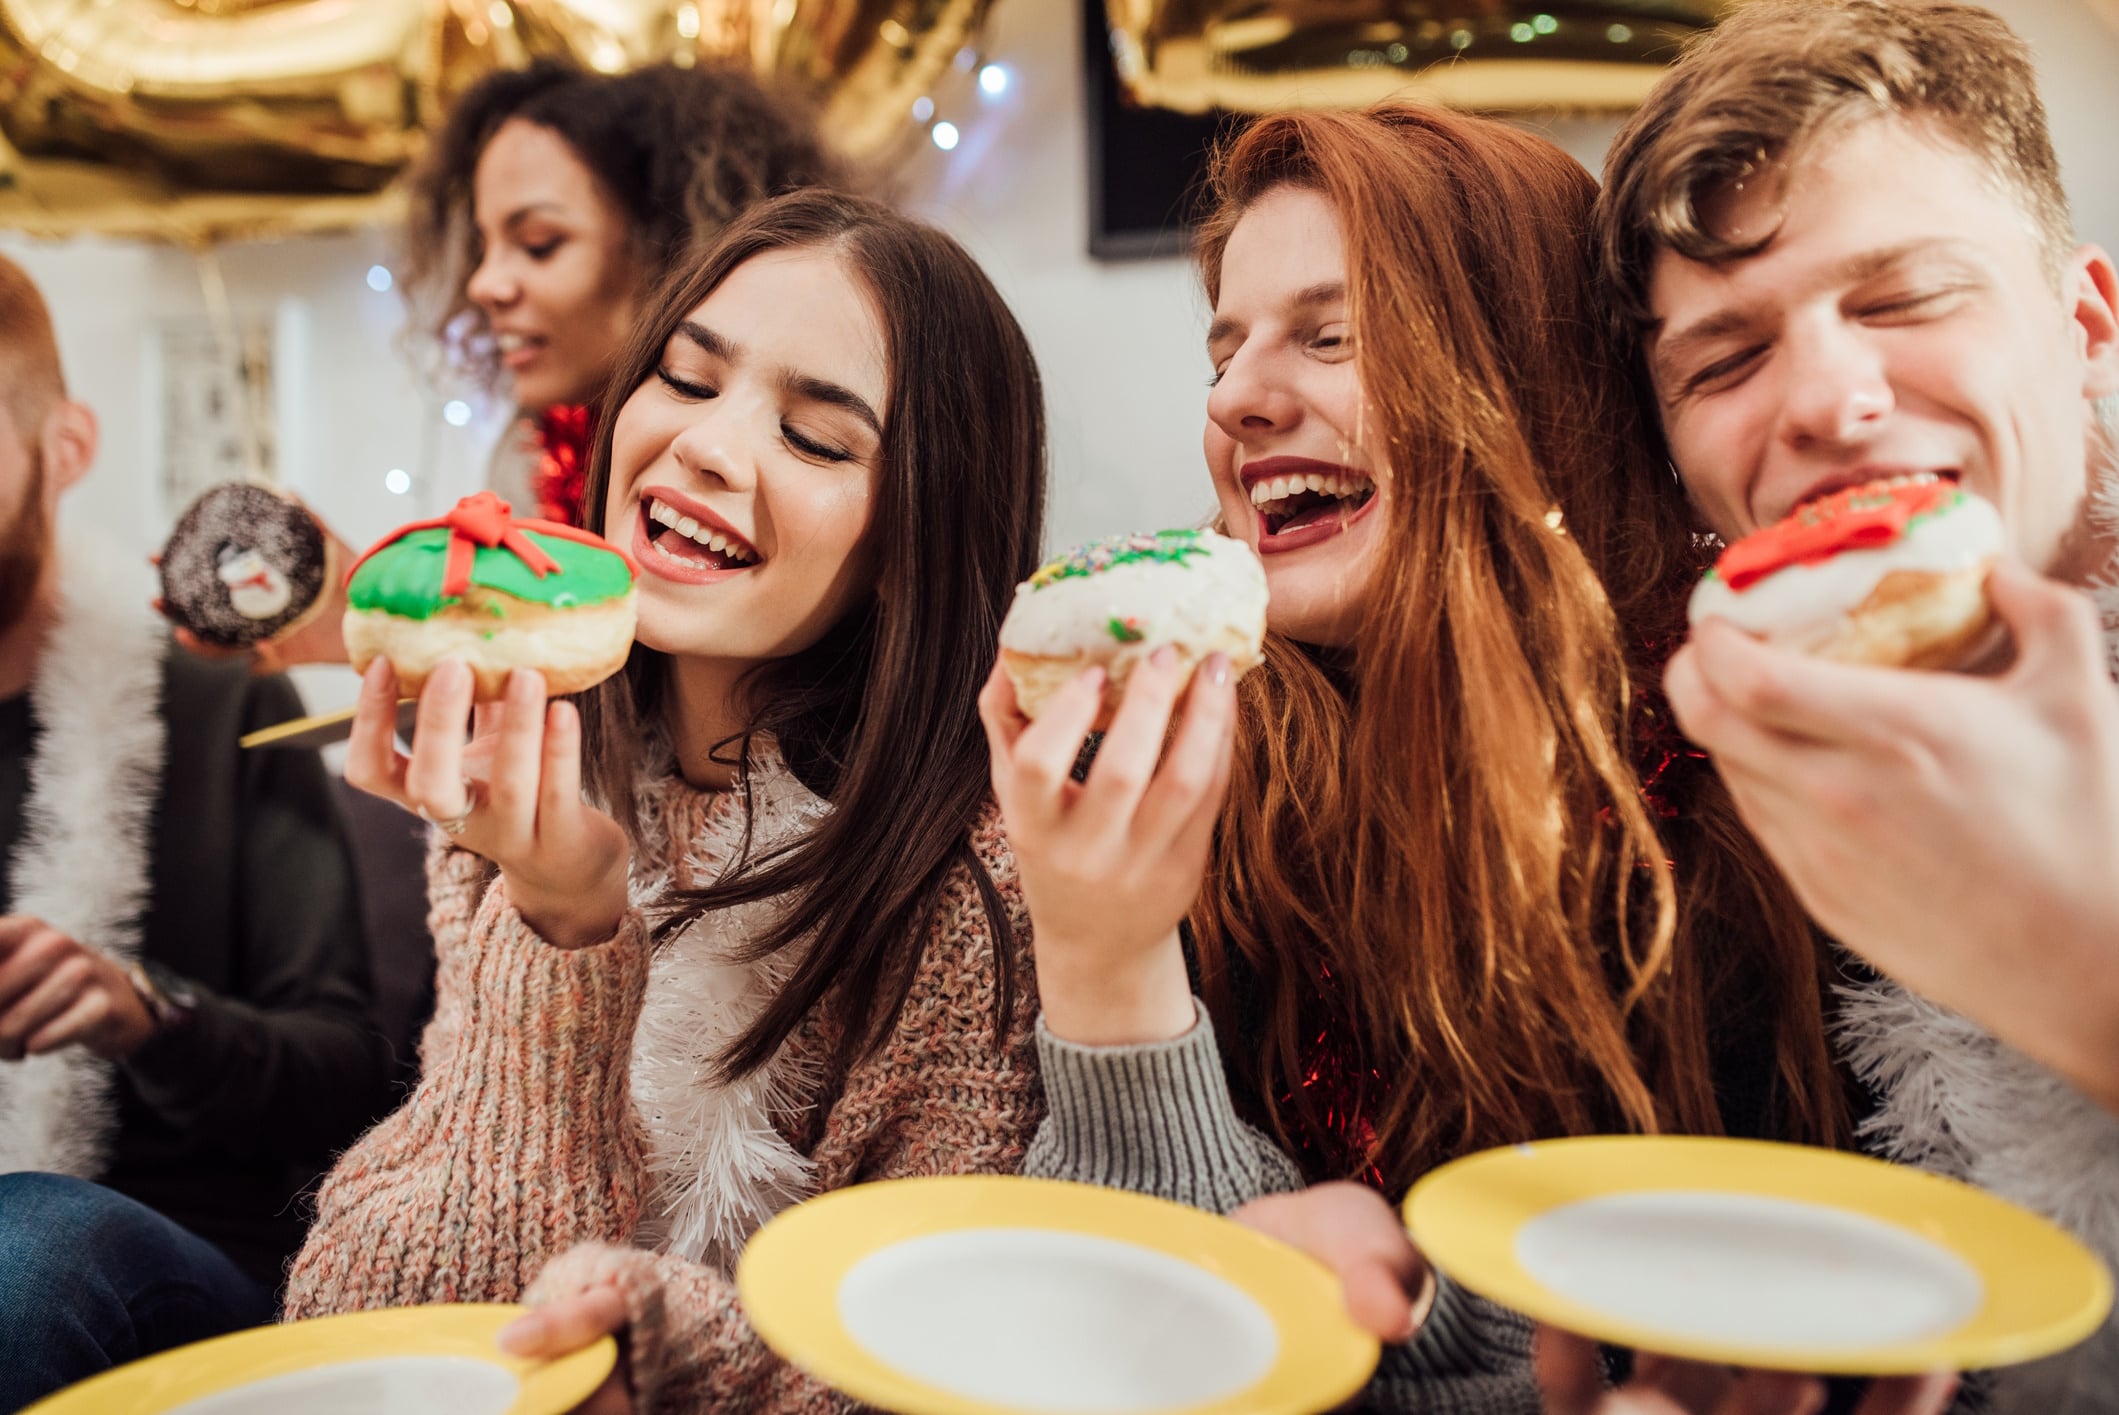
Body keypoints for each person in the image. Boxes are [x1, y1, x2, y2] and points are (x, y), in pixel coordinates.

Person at [983, 104, 1847, 1409]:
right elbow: (1110, 1329)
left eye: (1328, 337)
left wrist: (1416, 1316)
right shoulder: (1184, 783)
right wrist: (1108, 971)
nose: (1233, 397)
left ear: (1527, 378)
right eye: (1223, 348)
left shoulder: (1754, 778)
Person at [284, 189, 1050, 1414]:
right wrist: (561, 921)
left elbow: (916, 1354)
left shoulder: (975, 883)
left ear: (912, 537)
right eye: (687, 380)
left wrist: (672, 1341)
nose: (705, 445)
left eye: (815, 437)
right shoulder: (522, 769)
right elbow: (378, 1319)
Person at [1595, 2, 2119, 1408]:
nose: (1828, 399)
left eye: (1904, 298)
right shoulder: (1695, 832)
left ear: (2082, 324)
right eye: (1722, 360)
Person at [0, 256, 392, 1409]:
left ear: (66, 446)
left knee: (31, 1241)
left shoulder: (223, 697)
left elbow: (347, 1070)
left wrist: (145, 1013)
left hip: (172, 1263)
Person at [204, 58, 847, 672]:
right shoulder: (530, 463)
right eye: (483, 246)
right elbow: (546, 698)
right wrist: (375, 619)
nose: (484, 284)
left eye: (539, 244)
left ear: (669, 249)